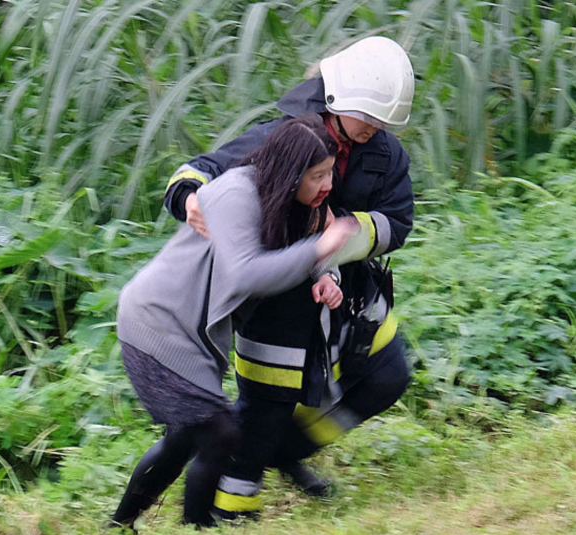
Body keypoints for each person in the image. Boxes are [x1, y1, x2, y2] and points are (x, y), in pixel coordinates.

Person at [163, 36, 416, 499]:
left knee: (388, 375)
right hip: (277, 302)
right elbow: (198, 170)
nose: (375, 128)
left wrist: (343, 234)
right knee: (264, 410)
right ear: (337, 101)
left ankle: (282, 454)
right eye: (368, 116)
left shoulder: (385, 154)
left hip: (350, 294)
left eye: (383, 120)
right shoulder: (283, 140)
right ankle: (229, 499)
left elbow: (397, 222)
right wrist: (190, 199)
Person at [111, 116, 356, 529]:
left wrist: (327, 276)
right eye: (317, 175)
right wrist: (317, 250)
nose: (327, 185)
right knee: (219, 434)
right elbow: (244, 272)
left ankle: (120, 527)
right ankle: (198, 533)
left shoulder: (296, 201)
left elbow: (295, 252)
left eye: (329, 172)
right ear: (292, 170)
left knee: (188, 436)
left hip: (185, 333)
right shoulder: (236, 192)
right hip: (156, 322)